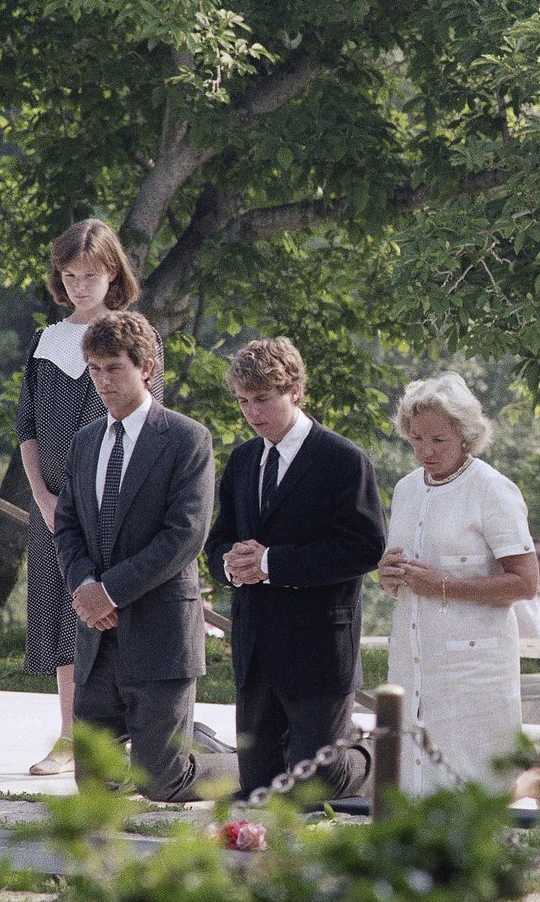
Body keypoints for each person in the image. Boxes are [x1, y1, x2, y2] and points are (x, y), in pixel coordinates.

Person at [378, 373, 540, 810]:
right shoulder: (405, 490)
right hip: (414, 653)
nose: (425, 451)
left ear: (465, 435)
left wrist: (441, 584)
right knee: (416, 774)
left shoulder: (492, 489)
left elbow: (525, 582)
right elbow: (401, 578)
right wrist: (388, 576)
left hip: (473, 660)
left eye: (438, 439)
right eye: (416, 438)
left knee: (476, 784)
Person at [54, 312, 235, 801]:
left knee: (162, 782)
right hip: (97, 638)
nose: (103, 381)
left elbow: (185, 536)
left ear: (147, 367)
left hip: (160, 634)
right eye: (94, 369)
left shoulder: (186, 439)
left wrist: (109, 590)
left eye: (114, 368)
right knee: (94, 788)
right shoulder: (84, 441)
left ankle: (251, 765)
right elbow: (67, 525)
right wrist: (85, 588)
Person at [204, 338, 385, 799]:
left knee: (316, 786)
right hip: (255, 646)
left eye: (263, 399)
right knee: (259, 786)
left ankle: (381, 757)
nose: (252, 412)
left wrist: (271, 563)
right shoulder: (243, 459)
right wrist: (231, 565)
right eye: (244, 401)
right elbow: (219, 539)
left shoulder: (343, 460)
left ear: (296, 391)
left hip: (319, 647)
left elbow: (365, 548)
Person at [17, 219, 163, 776]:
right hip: (51, 506)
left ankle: (116, 738)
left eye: (92, 275)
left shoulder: (135, 335)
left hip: (112, 503)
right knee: (61, 612)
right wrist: (43, 499)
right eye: (70, 275)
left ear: (113, 275)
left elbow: (147, 427)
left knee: (109, 611)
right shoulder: (44, 340)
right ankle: (69, 736)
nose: (80, 285)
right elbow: (27, 427)